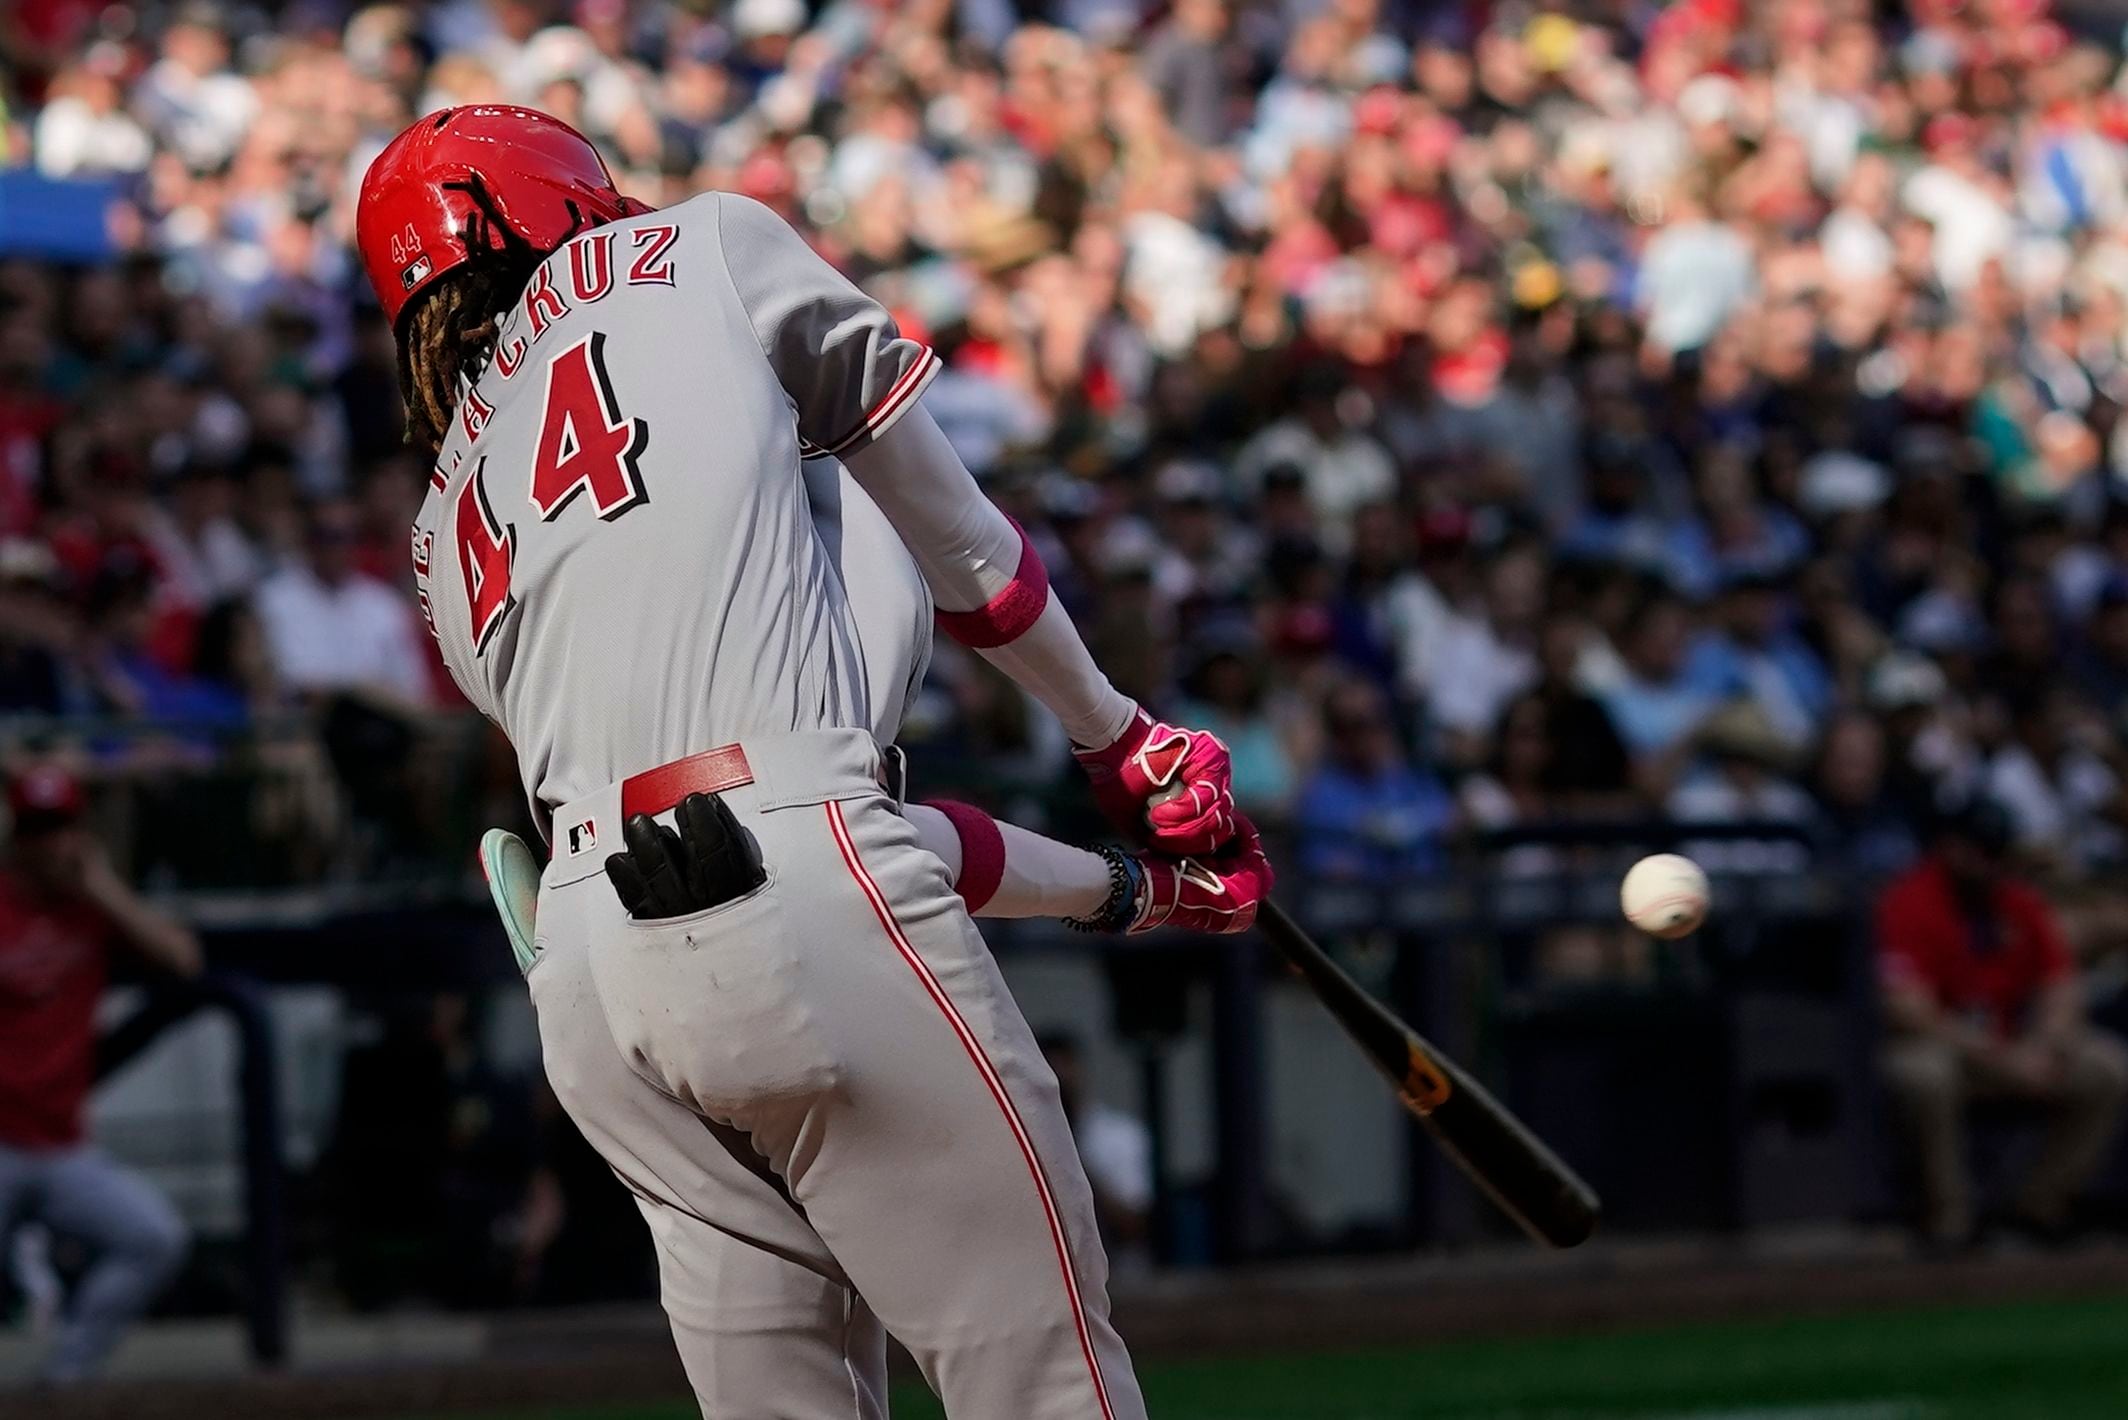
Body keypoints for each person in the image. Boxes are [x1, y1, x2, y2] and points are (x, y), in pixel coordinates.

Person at [358, 107, 1271, 1419]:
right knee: (1045, 1384)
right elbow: (961, 555)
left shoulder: (443, 537)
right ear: (578, 205)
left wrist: (1137, 891)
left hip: (598, 979)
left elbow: (853, 826)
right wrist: (1121, 735)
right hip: (792, 881)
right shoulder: (701, 247)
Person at [0, 765, 201, 1383]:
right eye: (38, 831)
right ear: (18, 838)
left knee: (155, 1237)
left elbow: (183, 960)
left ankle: (65, 1381)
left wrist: (102, 888)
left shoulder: (92, 909)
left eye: (61, 829)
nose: (52, 845)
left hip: (63, 1147)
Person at [1878, 798, 2128, 1247]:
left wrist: (2046, 1043)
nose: (1991, 863)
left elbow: (2060, 983)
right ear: (1951, 848)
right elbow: (1909, 1011)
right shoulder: (1911, 899)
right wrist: (2000, 1056)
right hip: (1951, 1047)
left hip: (2015, 1041)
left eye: (1998, 852)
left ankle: (2039, 1207)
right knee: (1924, 1074)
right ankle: (1950, 1220)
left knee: (2106, 1068)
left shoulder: (2015, 899)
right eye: (1981, 850)